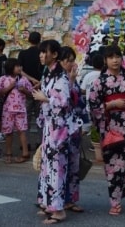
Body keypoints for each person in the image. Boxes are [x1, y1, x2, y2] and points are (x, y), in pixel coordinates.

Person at [88, 44, 125, 216]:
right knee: (113, 166)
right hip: (110, 128)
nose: (115, 60)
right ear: (105, 60)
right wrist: (111, 104)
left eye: (118, 56)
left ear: (122, 58)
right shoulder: (100, 82)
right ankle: (115, 200)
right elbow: (92, 106)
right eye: (111, 57)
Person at [32, 40, 75, 224]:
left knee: (56, 168)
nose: (42, 55)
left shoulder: (61, 77)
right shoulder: (50, 74)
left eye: (45, 52)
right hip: (51, 127)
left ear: (54, 54)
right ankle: (48, 203)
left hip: (59, 128)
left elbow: (64, 102)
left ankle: (58, 210)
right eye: (41, 53)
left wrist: (45, 98)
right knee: (47, 167)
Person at [59, 46, 86, 214]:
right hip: (60, 129)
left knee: (74, 165)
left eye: (72, 60)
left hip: (74, 126)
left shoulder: (73, 79)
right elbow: (62, 101)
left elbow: (79, 103)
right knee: (60, 166)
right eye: (67, 60)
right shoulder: (58, 79)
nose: (71, 64)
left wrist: (82, 123)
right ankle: (57, 200)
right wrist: (70, 80)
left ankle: (71, 199)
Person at [0, 58, 33, 164]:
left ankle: (25, 153)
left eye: (20, 66)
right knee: (8, 132)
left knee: (22, 131)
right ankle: (8, 153)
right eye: (17, 66)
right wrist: (9, 87)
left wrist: (24, 91)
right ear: (10, 68)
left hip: (21, 109)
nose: (20, 68)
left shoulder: (24, 80)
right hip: (8, 109)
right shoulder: (3, 79)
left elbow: (31, 93)